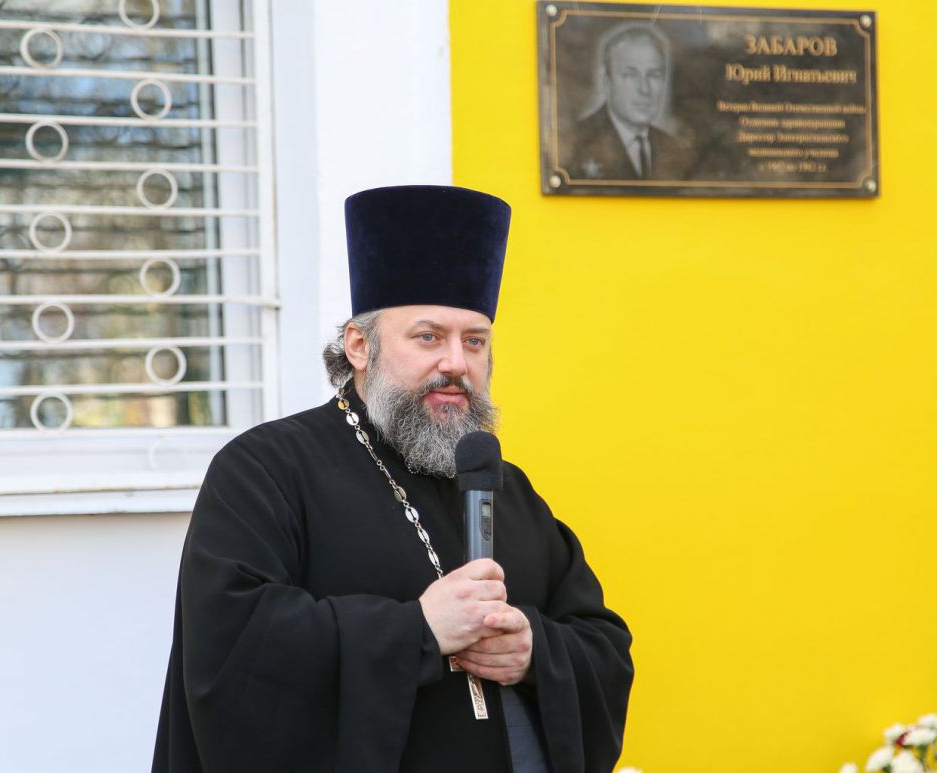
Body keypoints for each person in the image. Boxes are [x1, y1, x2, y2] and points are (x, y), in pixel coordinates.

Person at [151, 185, 633, 772]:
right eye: (428, 337)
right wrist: (419, 630)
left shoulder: (507, 488)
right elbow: (234, 648)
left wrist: (535, 652)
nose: (456, 363)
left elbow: (602, 644)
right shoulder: (265, 469)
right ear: (359, 346)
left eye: (474, 341)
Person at [566, 26, 691, 181]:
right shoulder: (573, 143)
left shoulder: (676, 149)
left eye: (654, 75)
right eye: (630, 75)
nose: (644, 89)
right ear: (607, 82)